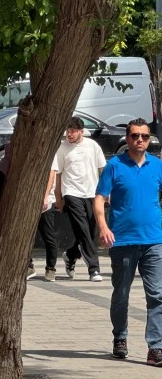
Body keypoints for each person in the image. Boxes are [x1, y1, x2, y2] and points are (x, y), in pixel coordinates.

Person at [95, 118, 162, 365]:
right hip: (122, 240)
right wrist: (103, 227)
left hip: (154, 240)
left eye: (144, 136)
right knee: (121, 292)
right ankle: (120, 338)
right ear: (127, 138)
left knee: (157, 294)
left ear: (149, 139)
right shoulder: (115, 165)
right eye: (135, 136)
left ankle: (155, 346)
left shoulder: (157, 166)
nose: (140, 140)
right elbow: (100, 198)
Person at [56, 116, 106, 282]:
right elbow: (58, 173)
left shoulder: (92, 146)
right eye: (68, 130)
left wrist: (107, 192)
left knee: (91, 231)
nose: (69, 134)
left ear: (81, 131)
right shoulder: (62, 148)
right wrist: (59, 197)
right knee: (83, 229)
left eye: (73, 131)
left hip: (91, 192)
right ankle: (94, 269)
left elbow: (102, 169)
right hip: (71, 192)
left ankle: (71, 255)